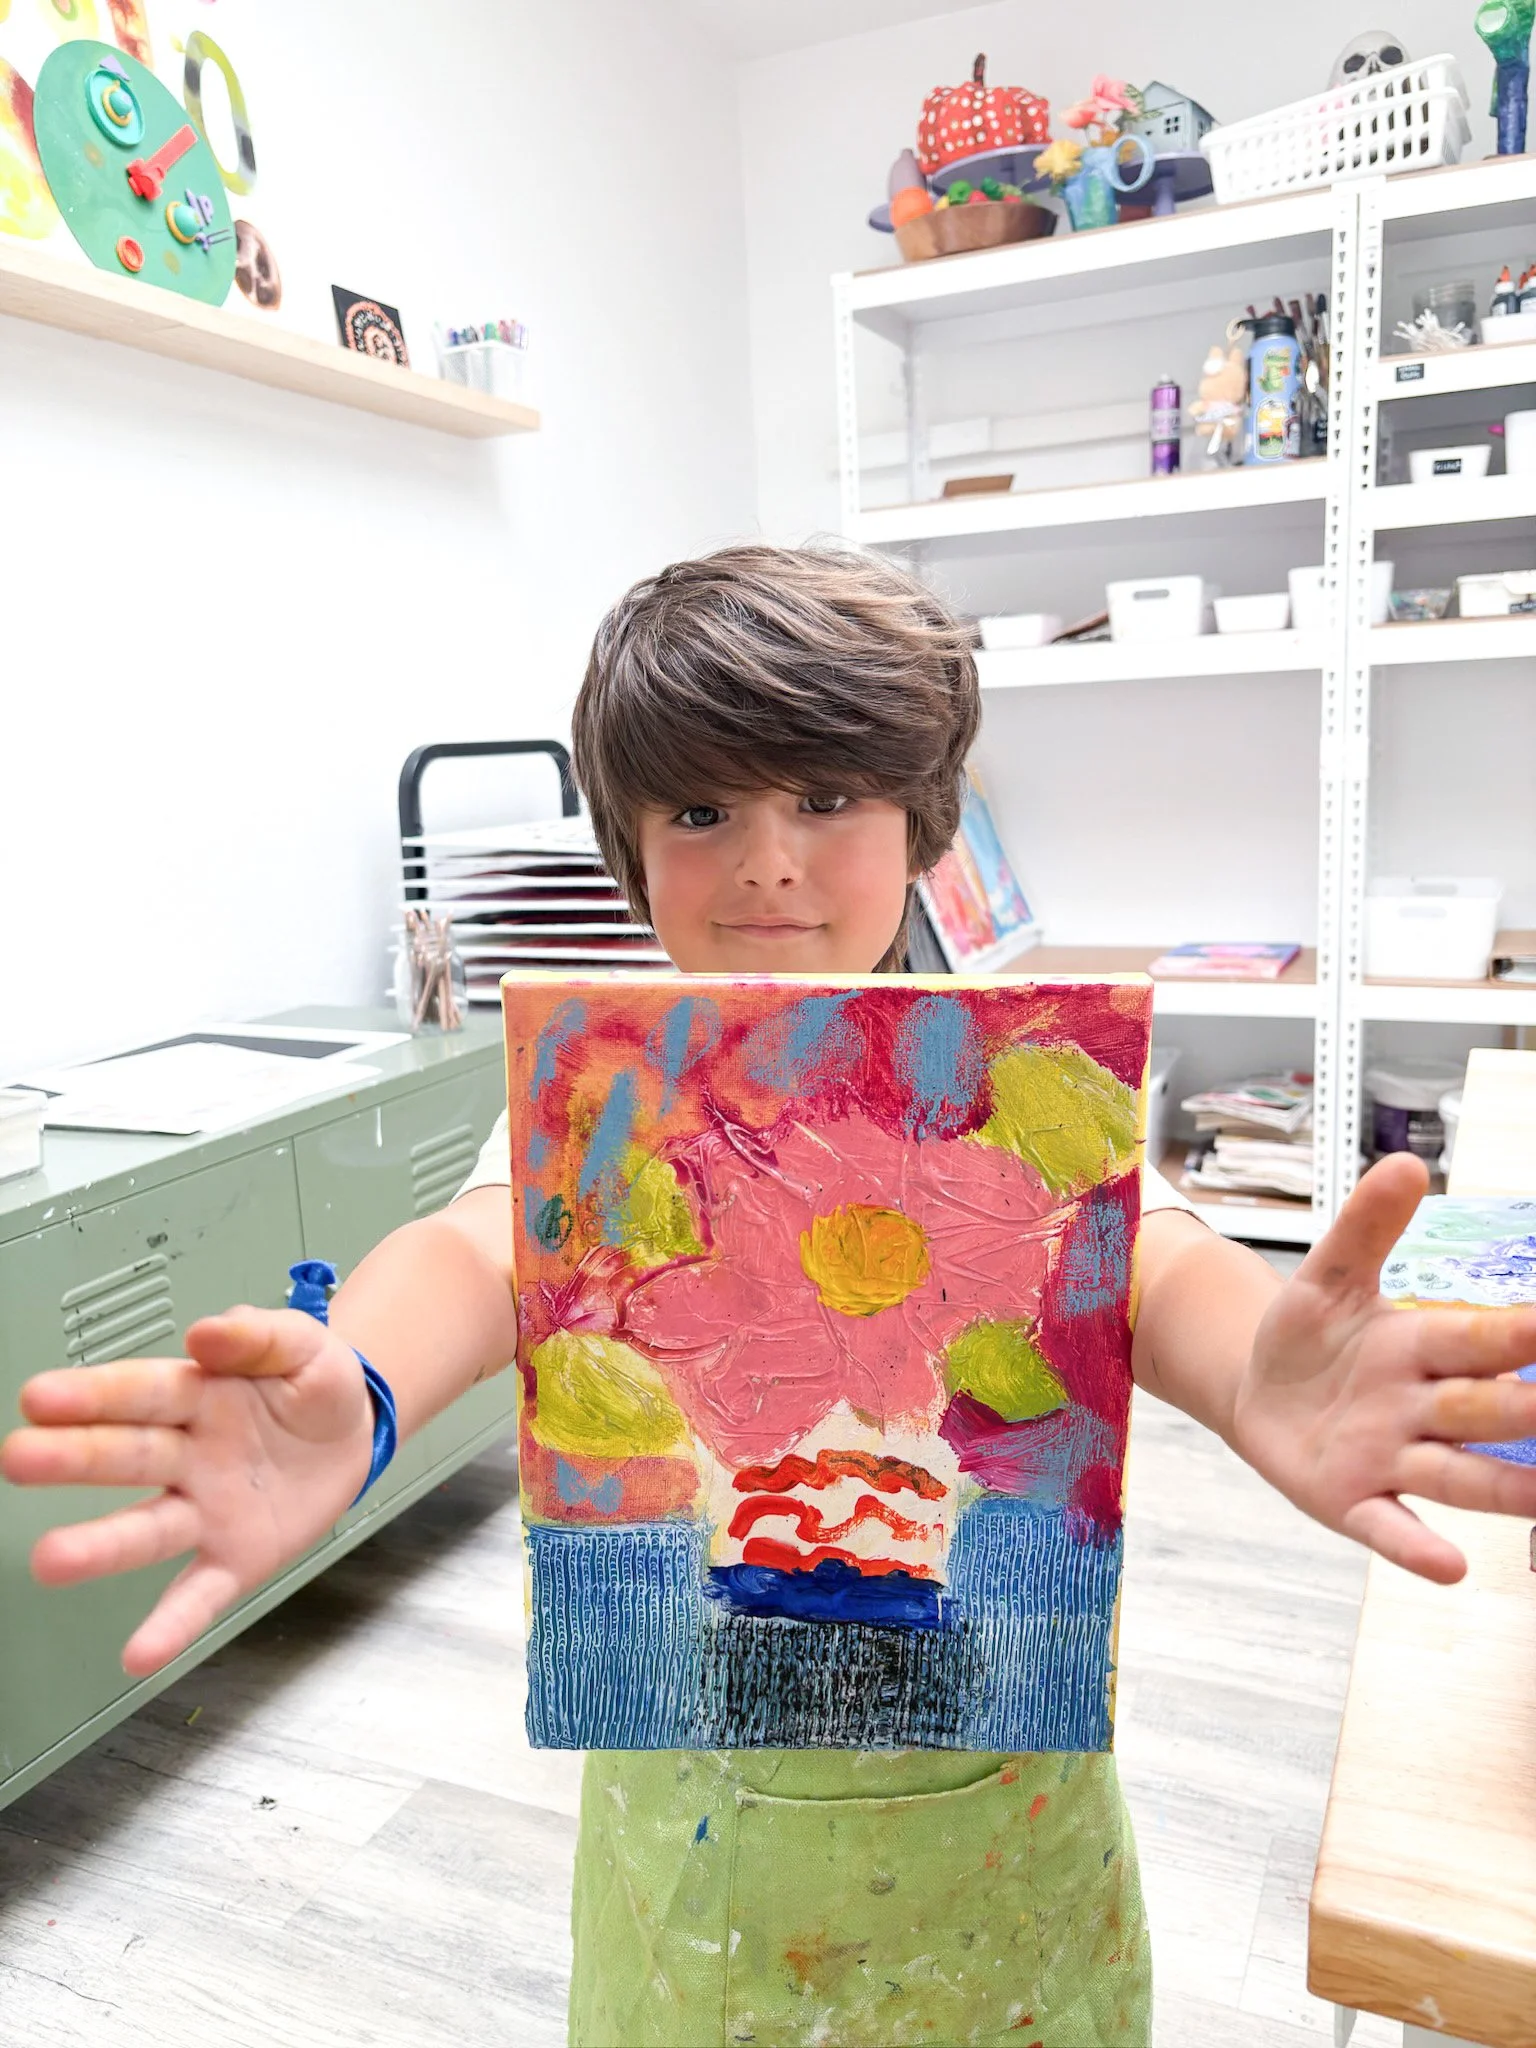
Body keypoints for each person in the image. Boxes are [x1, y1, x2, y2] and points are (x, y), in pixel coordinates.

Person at [5, 543, 1536, 2048]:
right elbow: (482, 1248)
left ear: (927, 822)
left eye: (824, 798)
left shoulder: (1021, 1068)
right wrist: (371, 1384)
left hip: (1002, 1796)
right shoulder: (611, 1088)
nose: (768, 860)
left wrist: (1248, 1360)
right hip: (693, 1829)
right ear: (626, 844)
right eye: (699, 808)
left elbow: (1154, 1260)